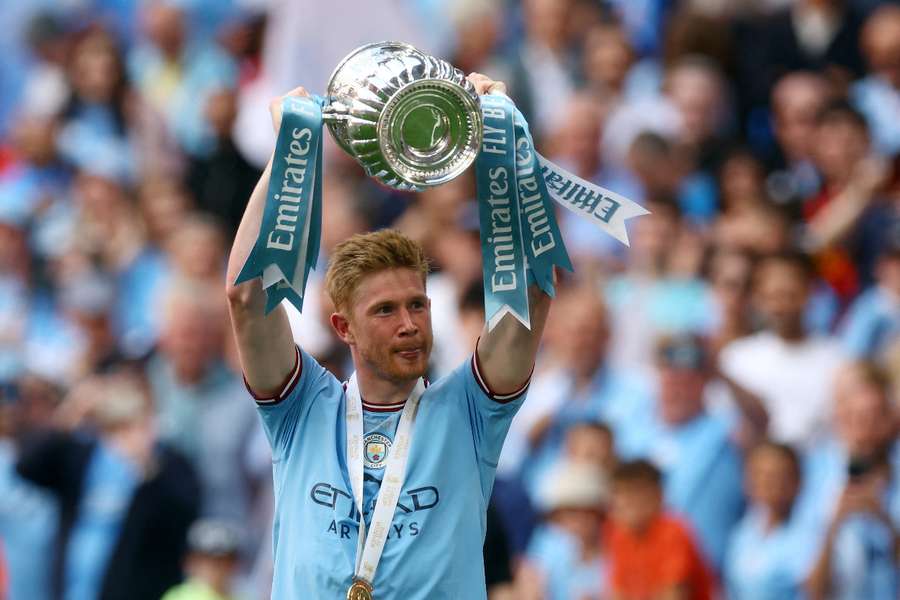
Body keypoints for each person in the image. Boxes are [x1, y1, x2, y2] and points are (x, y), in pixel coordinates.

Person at [225, 76, 553, 598]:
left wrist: (505, 148)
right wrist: (288, 153)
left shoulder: (469, 412)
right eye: (385, 310)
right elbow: (246, 296)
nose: (409, 323)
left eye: (417, 305)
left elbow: (529, 297)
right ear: (343, 328)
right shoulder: (303, 408)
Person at [15, 372, 201, 600]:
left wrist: (146, 463)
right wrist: (70, 413)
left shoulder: (168, 462)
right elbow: (26, 467)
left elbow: (183, 513)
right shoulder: (84, 451)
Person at [605, 460, 715, 600]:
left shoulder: (673, 531)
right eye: (619, 493)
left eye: (634, 492)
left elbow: (674, 594)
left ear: (658, 496)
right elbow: (617, 593)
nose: (624, 501)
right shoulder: (619, 535)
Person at [724, 442, 819, 600]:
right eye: (759, 474)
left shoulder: (811, 535)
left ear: (797, 481)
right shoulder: (743, 532)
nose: (767, 484)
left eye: (777, 476)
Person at [161, 519, 243, 600]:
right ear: (190, 562)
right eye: (207, 561)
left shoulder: (242, 597)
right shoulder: (179, 597)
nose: (215, 568)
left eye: (223, 561)